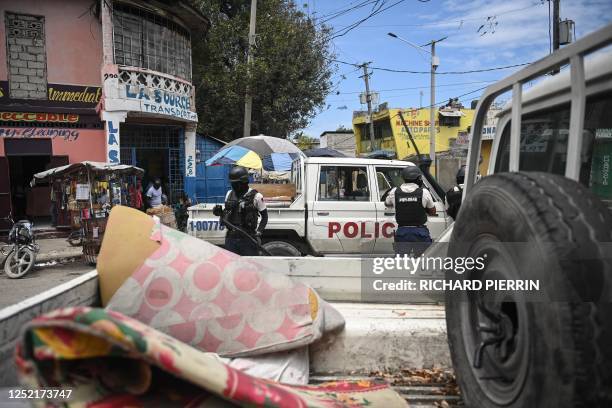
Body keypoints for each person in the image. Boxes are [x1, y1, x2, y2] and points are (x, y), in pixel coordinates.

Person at [213, 166, 268, 256]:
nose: (234, 186)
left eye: (236, 184)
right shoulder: (229, 194)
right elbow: (227, 213)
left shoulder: (257, 196)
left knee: (249, 267)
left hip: (248, 239)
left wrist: (259, 232)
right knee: (232, 267)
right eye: (233, 183)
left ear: (244, 182)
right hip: (231, 239)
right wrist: (219, 213)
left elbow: (265, 217)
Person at [385, 166, 436, 256]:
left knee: (401, 264)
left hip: (402, 232)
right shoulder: (424, 192)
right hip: (420, 233)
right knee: (424, 262)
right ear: (418, 178)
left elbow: (387, 203)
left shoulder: (394, 192)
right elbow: (433, 211)